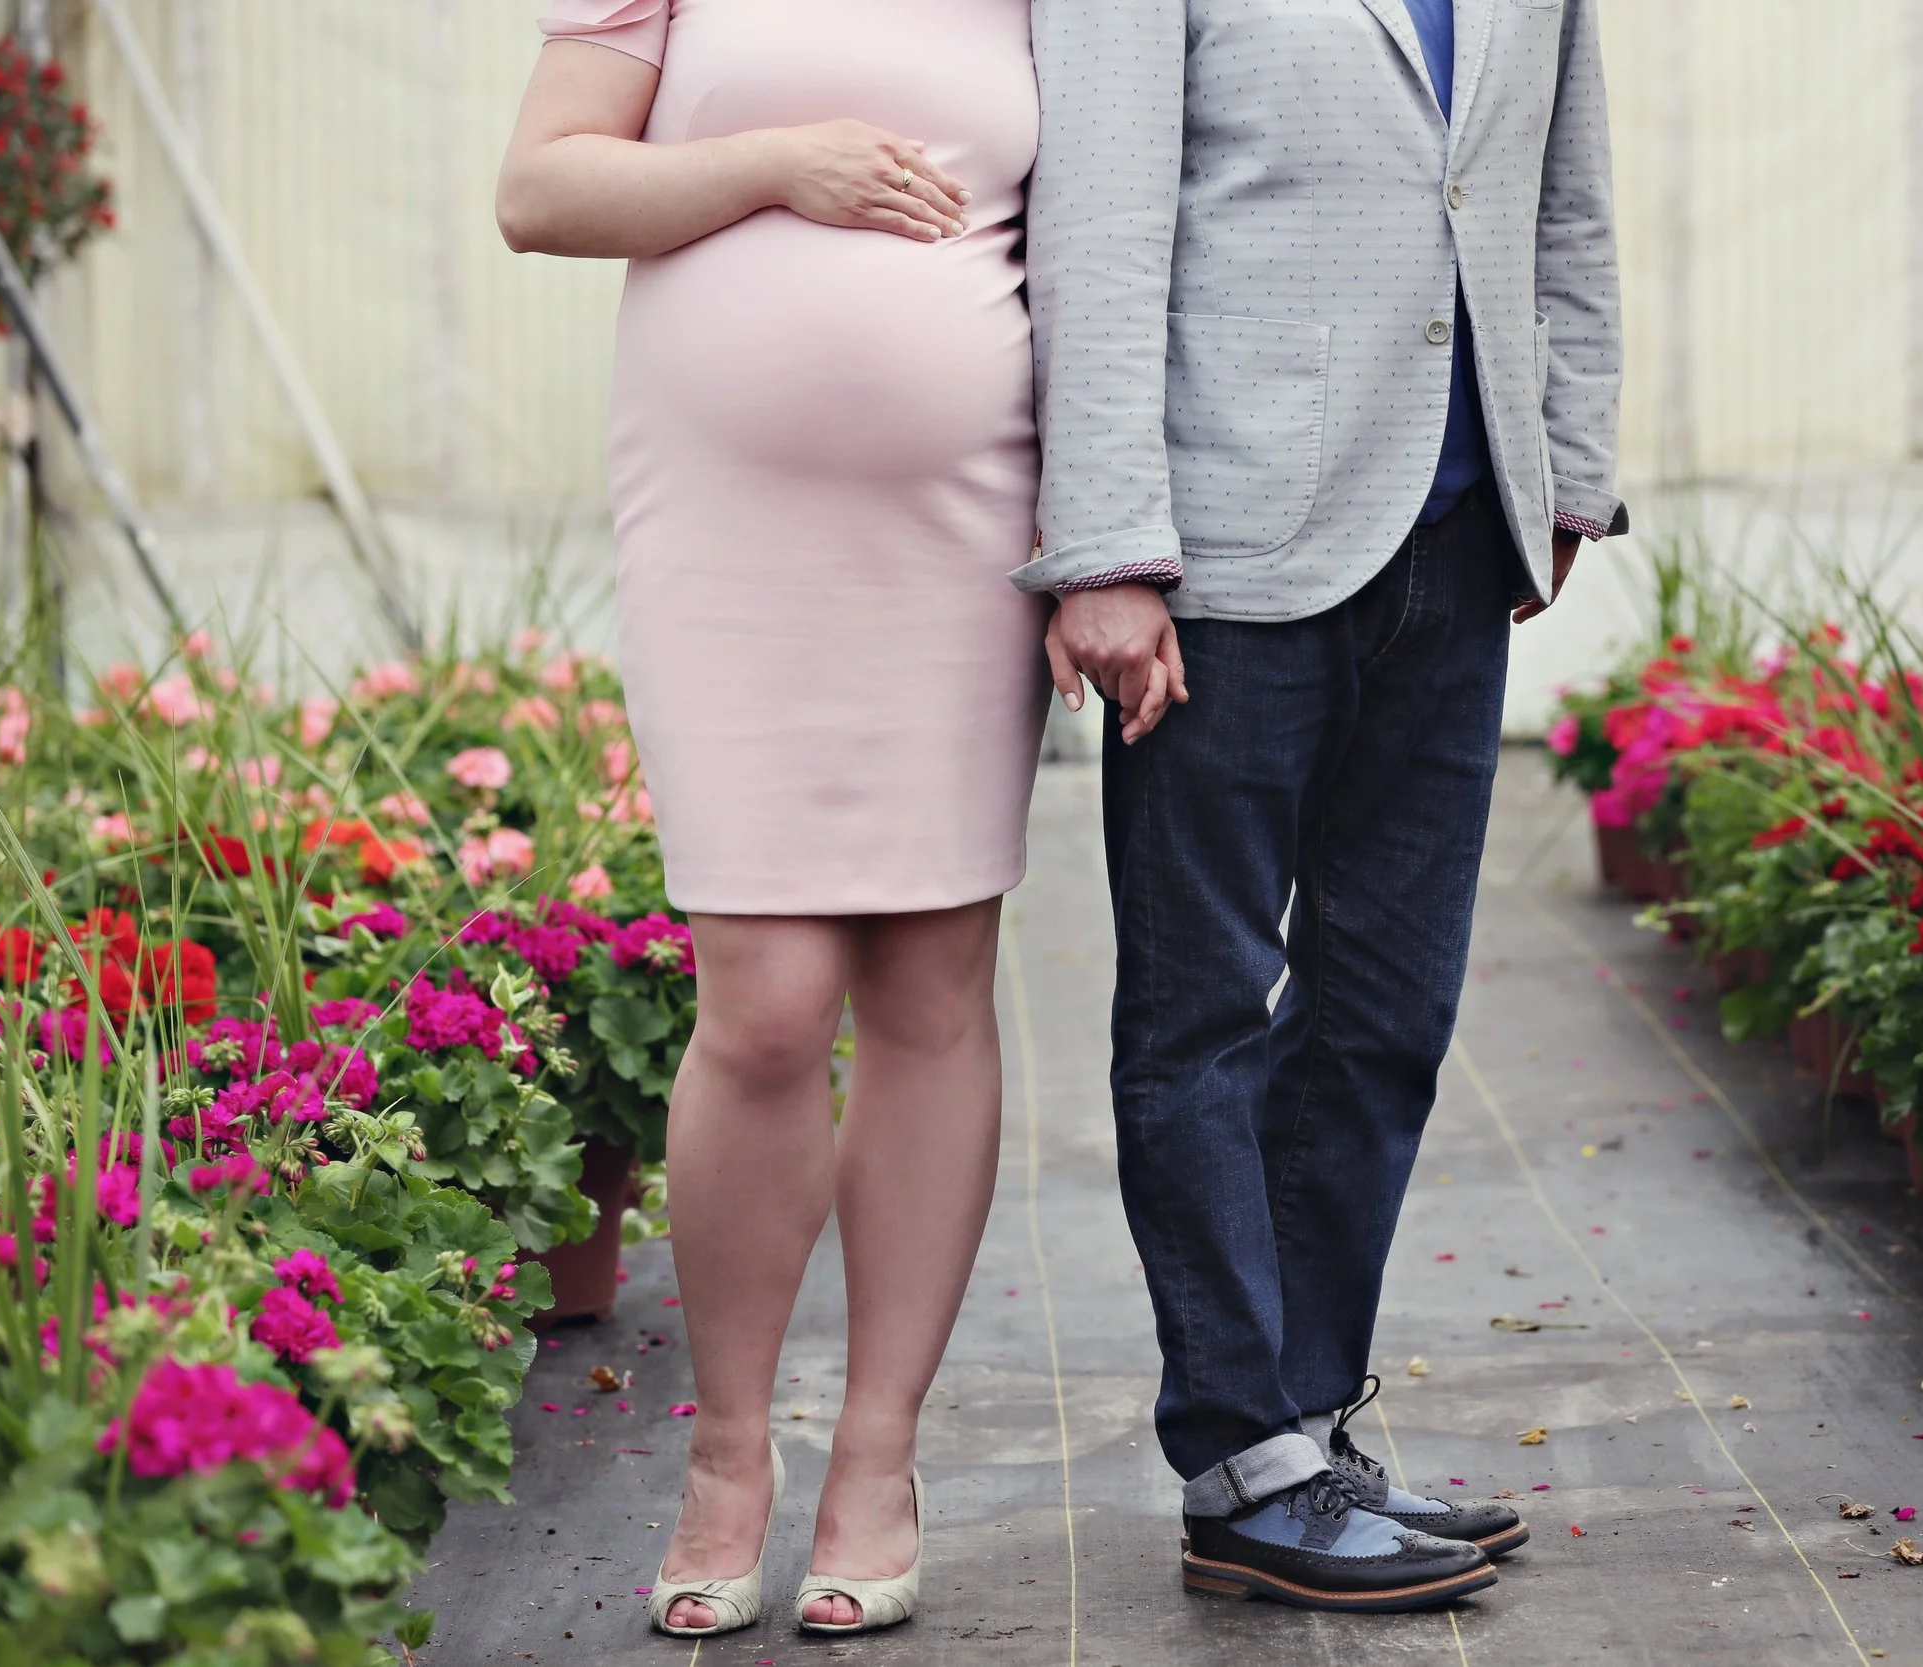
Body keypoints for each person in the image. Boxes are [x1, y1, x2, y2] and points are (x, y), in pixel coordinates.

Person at [1019, 0, 1627, 1615]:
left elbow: (1563, 198)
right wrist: (1105, 549)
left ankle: (1301, 1427)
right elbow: (1097, 225)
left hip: (1457, 536)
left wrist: (1566, 465)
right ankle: (1240, 1456)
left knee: (1386, 1013)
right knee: (1204, 1010)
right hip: (1222, 553)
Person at [497, 0, 1043, 1639]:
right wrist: (772, 167)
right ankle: (728, 1456)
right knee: (765, 998)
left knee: (933, 989)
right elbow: (542, 191)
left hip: (963, 526)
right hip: (726, 522)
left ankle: (876, 1460)